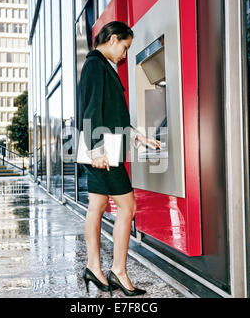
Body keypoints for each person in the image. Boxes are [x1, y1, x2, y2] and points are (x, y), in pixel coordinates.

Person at [79, 21, 161, 297]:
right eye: (125, 47)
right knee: (128, 207)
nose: (125, 55)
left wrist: (137, 135)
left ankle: (94, 267)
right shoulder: (95, 65)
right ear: (113, 39)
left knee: (98, 205)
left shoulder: (101, 66)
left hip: (103, 147)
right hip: (104, 151)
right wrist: (96, 150)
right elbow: (90, 110)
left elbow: (113, 114)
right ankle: (118, 270)